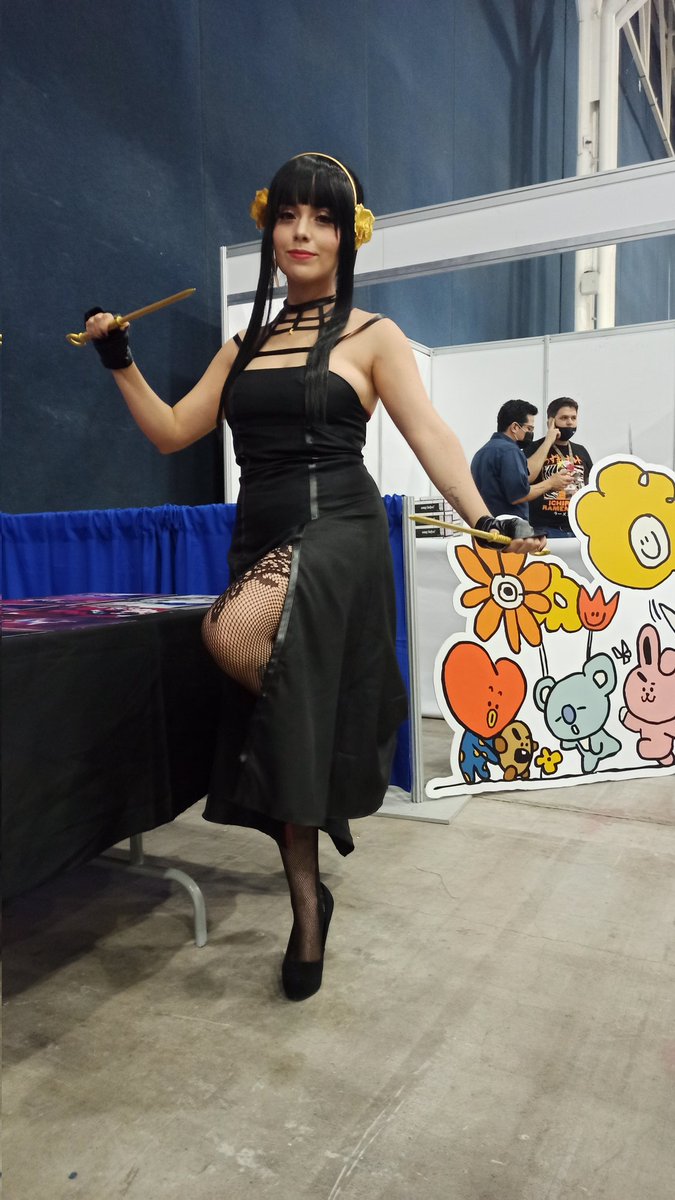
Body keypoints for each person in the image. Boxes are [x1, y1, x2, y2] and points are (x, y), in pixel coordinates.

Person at [84, 152, 545, 1001]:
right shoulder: (243, 345)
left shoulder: (374, 337)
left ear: (347, 235)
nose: (302, 232)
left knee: (229, 632)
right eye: (288, 215)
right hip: (260, 530)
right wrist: (120, 361)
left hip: (339, 526)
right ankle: (307, 903)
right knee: (283, 715)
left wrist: (485, 517)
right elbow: (173, 430)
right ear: (270, 227)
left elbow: (431, 434)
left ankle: (331, 736)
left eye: (323, 219)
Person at [470, 399, 569, 521]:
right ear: (515, 427)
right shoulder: (510, 451)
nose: (531, 433)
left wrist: (548, 440)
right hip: (508, 526)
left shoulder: (482, 452)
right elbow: (518, 495)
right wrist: (551, 483)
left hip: (486, 524)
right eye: (529, 429)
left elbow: (524, 478)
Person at [523, 397, 593, 537]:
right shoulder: (533, 448)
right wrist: (549, 440)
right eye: (564, 418)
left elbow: (590, 486)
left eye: (573, 418)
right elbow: (526, 476)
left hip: (576, 527)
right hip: (544, 528)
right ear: (551, 421)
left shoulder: (581, 450)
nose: (570, 422)